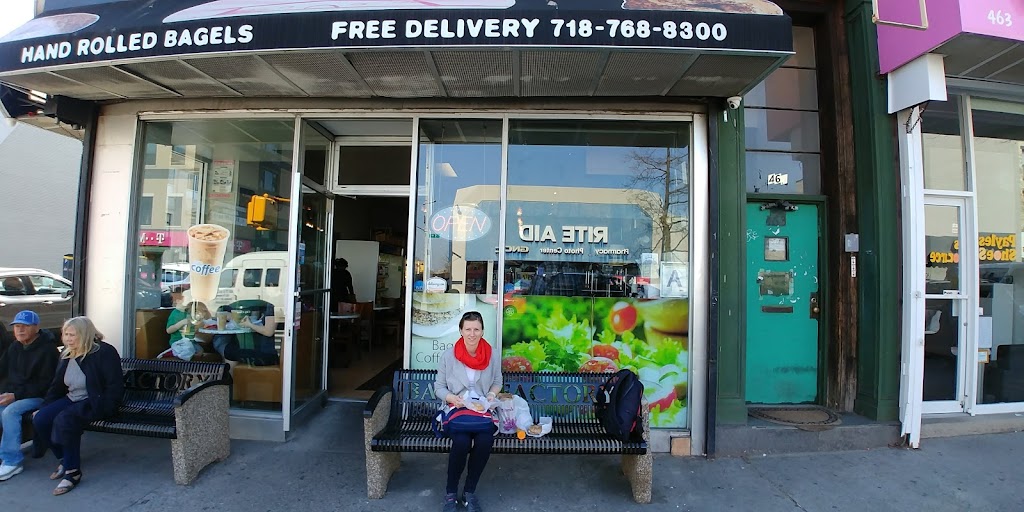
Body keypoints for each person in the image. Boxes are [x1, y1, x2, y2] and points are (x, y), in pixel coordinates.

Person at [32, 316, 124, 496]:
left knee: (65, 420)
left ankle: (72, 472)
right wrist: (45, 406)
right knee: (40, 418)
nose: (67, 338)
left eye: (72, 334)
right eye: (65, 334)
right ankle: (64, 459)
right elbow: (57, 386)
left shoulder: (104, 352)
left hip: (95, 400)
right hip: (73, 398)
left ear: (84, 334)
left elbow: (115, 385)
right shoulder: (68, 353)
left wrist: (107, 408)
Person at [434, 311, 501, 512]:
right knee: (461, 442)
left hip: (481, 410)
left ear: (482, 331)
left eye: (476, 329)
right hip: (457, 409)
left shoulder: (492, 354)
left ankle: (469, 492)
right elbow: (439, 387)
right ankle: (451, 493)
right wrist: (451, 398)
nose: (472, 333)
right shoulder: (449, 355)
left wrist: (490, 395)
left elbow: (498, 381)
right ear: (461, 331)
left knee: (485, 441)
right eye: (468, 329)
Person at [0, 310, 59, 481]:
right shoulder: (15, 346)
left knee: (10, 412)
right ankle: (8, 452)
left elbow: (46, 384)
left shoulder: (48, 350)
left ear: (36, 328)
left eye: (25, 326)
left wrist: (15, 395)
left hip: (39, 396)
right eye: (17, 326)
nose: (19, 330)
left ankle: (12, 461)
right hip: (15, 394)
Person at [211, 301, 279, 366]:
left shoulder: (272, 306)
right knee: (231, 349)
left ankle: (233, 378)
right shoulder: (275, 304)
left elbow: (269, 331)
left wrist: (249, 325)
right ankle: (236, 375)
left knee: (229, 351)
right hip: (271, 351)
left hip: (268, 353)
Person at [165, 288, 211, 357]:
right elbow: (169, 330)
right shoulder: (175, 314)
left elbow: (195, 325)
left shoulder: (189, 313)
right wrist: (181, 323)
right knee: (187, 352)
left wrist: (199, 325)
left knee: (200, 351)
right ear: (178, 301)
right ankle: (175, 354)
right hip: (179, 342)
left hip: (190, 341)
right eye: (187, 299)